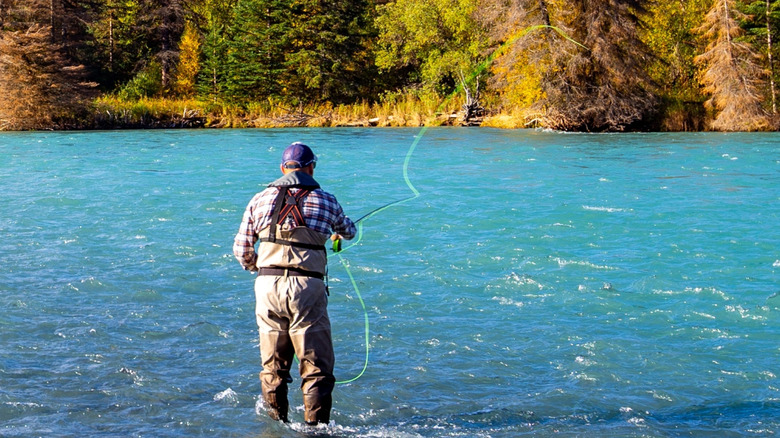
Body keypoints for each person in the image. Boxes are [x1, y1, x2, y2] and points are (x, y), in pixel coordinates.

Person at [233, 142, 356, 425]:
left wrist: (259, 269)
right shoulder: (327, 200)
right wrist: (335, 234)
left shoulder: (258, 199)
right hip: (307, 288)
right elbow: (348, 231)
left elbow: (242, 251)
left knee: (273, 367)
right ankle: (314, 429)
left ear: (282, 169)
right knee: (316, 368)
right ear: (311, 167)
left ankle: (277, 425)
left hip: (267, 287)